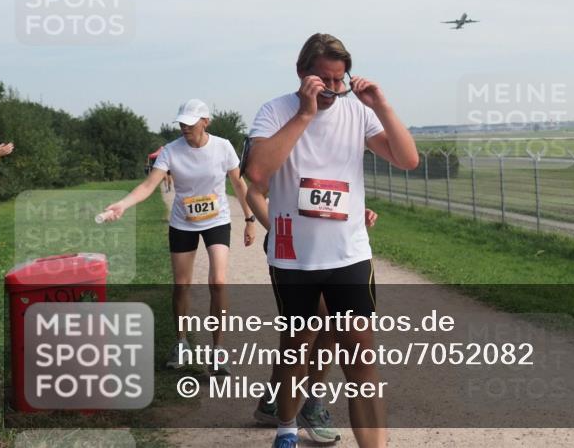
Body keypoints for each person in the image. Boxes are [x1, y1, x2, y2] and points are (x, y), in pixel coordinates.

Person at [245, 33, 418, 448]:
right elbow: (257, 174)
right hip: (294, 259)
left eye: (339, 79)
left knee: (360, 361)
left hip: (348, 254)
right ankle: (286, 427)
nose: (332, 88)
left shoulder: (358, 111)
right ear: (302, 74)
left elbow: (408, 159)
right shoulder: (276, 111)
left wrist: (382, 106)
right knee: (295, 351)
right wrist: (305, 114)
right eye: (322, 79)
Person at [103, 99, 256, 373]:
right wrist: (123, 204)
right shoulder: (171, 151)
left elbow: (238, 183)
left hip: (216, 220)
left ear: (205, 121)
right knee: (181, 285)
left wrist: (249, 218)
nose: (185, 127)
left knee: (219, 282)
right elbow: (150, 185)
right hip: (183, 223)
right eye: (182, 122)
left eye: (190, 122)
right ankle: (181, 342)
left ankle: (217, 350)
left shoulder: (223, 147)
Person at [244, 173, 379, 445]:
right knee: (302, 335)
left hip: (334, 249)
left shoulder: (341, 143)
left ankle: (303, 401)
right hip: (294, 251)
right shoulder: (281, 137)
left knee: (328, 328)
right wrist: (281, 229)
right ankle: (288, 419)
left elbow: (333, 196)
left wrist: (355, 213)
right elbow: (254, 192)